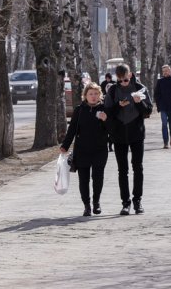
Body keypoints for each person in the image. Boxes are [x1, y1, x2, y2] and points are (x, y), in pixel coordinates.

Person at [105, 64, 153, 215]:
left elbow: (148, 112)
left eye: (125, 80)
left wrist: (139, 103)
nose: (123, 83)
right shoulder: (113, 90)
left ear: (130, 75)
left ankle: (137, 200)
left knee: (137, 167)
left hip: (136, 133)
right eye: (120, 80)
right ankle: (125, 202)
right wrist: (118, 106)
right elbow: (108, 113)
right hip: (118, 135)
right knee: (122, 170)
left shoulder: (140, 88)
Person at [60, 83, 109, 216]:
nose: (93, 97)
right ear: (85, 96)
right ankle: (87, 205)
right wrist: (65, 145)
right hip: (82, 150)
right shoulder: (79, 110)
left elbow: (112, 130)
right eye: (90, 94)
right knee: (84, 179)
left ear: (100, 95)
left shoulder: (105, 109)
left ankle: (96, 202)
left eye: (96, 94)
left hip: (100, 149)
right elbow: (72, 130)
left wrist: (106, 120)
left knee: (98, 177)